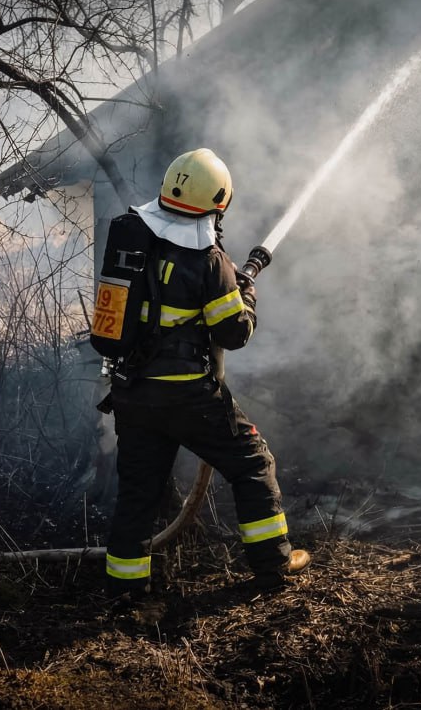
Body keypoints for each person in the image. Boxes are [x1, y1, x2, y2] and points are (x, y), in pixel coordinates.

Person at [100, 148, 310, 599]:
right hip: (187, 396)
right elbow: (234, 333)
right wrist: (246, 295)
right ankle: (274, 568)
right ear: (218, 203)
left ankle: (125, 591)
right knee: (254, 465)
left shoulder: (132, 235)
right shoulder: (210, 261)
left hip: (131, 393)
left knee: (139, 492)